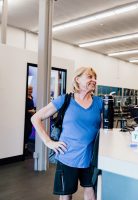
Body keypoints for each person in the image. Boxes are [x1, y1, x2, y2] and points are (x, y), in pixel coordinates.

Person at [31, 67, 103, 200]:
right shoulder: (65, 100)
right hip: (68, 156)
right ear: (77, 79)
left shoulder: (99, 103)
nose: (94, 80)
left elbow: (104, 130)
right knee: (66, 195)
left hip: (91, 157)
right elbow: (35, 118)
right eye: (89, 77)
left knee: (90, 190)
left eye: (94, 77)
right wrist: (49, 142)